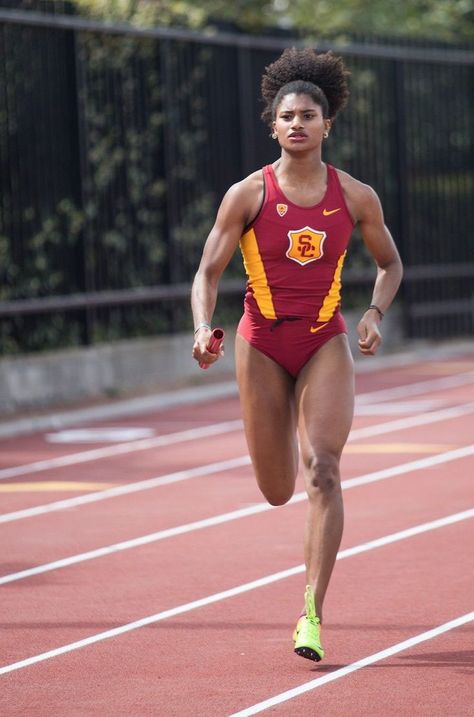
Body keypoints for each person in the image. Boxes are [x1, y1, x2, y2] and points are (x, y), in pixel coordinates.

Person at [191, 47, 403, 662]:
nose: (297, 124)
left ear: (327, 123)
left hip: (323, 339)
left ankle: (311, 611)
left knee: (325, 471)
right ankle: (275, 423)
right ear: (273, 124)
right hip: (260, 342)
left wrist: (372, 312)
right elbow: (207, 271)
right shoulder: (247, 195)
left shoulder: (356, 197)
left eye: (308, 115)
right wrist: (204, 327)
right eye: (287, 115)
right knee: (278, 489)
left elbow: (389, 264)